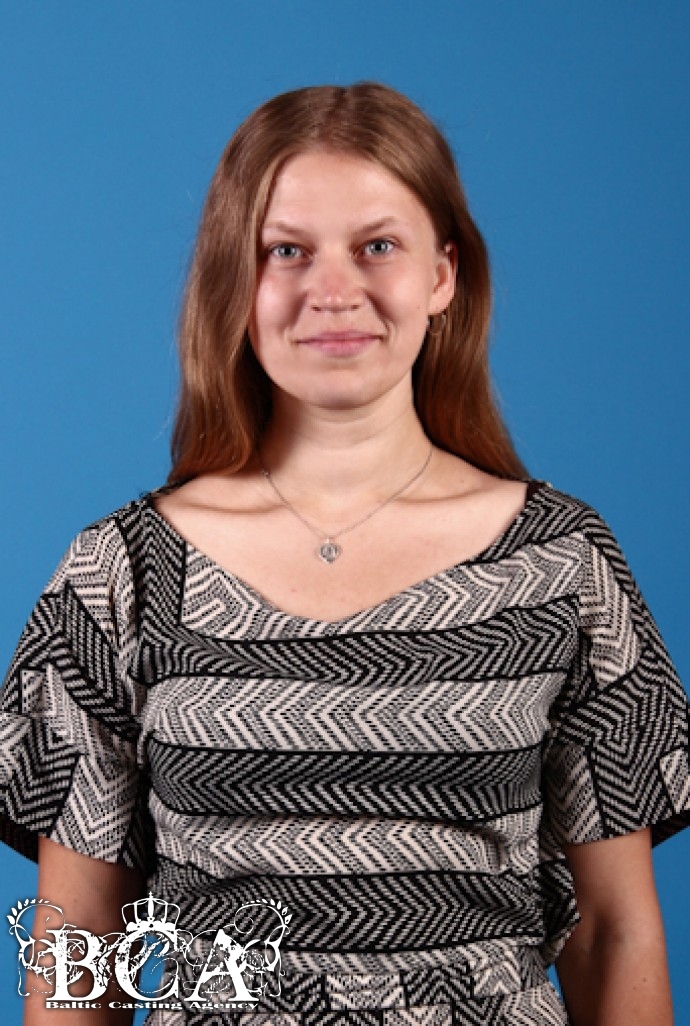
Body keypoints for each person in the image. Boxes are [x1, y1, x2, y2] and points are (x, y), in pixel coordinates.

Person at [1, 82, 688, 1026]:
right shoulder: (119, 574)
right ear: (234, 282)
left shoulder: (563, 565)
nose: (333, 291)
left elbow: (615, 933)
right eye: (285, 250)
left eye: (378, 246)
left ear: (442, 275)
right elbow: (80, 943)